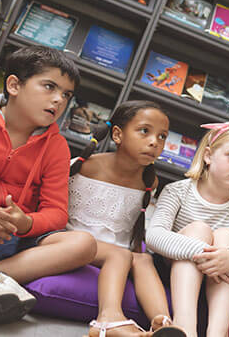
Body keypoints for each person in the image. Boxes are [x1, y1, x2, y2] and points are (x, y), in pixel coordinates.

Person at [0, 45, 97, 325]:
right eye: (49, 87)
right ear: (14, 85)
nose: (59, 100)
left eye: (66, 95)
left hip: (9, 238)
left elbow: (57, 212)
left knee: (83, 244)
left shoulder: (56, 147)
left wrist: (24, 223)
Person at [68, 100, 185, 337]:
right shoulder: (84, 167)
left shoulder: (148, 182)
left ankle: (163, 324)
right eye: (145, 131)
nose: (154, 142)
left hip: (119, 252)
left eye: (162, 136)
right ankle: (107, 320)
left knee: (143, 260)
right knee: (123, 255)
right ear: (118, 135)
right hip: (76, 244)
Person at [146, 122, 229, 337]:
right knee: (199, 229)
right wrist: (205, 252)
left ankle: (218, 333)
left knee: (226, 236)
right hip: (174, 270)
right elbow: (153, 236)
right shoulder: (177, 191)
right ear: (208, 155)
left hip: (218, 279)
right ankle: (185, 329)